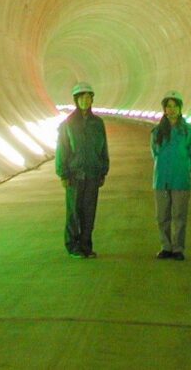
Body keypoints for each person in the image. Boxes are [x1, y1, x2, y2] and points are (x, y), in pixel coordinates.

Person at [55, 82, 109, 258]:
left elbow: (103, 148)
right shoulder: (68, 124)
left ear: (92, 99)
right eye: (81, 98)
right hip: (75, 175)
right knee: (74, 213)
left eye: (88, 97)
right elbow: (62, 149)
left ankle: (86, 245)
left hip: (93, 174)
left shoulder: (98, 123)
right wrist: (63, 173)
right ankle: (73, 246)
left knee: (89, 212)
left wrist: (103, 170)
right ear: (76, 100)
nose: (85, 101)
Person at [151, 90, 191, 261]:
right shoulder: (157, 131)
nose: (171, 110)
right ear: (164, 109)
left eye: (174, 106)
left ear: (180, 108)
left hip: (180, 179)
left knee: (179, 215)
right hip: (161, 179)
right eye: (168, 106)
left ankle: (178, 248)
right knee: (162, 215)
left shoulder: (187, 131)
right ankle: (166, 247)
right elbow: (154, 152)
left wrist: (184, 167)